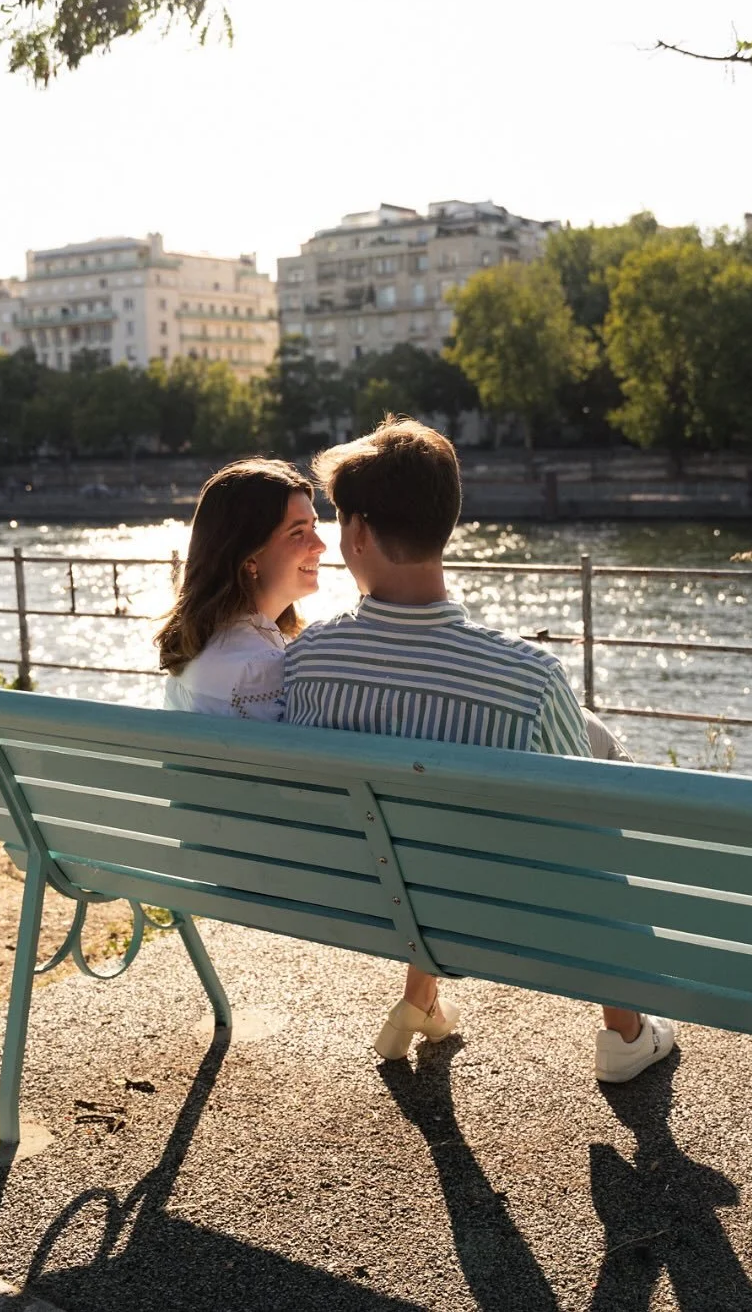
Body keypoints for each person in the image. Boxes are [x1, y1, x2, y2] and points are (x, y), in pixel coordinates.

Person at [284, 416, 675, 1083]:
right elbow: (583, 845)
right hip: (500, 911)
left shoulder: (307, 660)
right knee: (595, 762)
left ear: (357, 532)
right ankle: (626, 1033)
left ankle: (420, 995)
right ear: (447, 525)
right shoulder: (529, 677)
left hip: (364, 899)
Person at [157, 459, 326, 717]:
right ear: (249, 558)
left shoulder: (199, 647)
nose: (320, 545)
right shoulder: (259, 671)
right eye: (297, 533)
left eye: (313, 527)